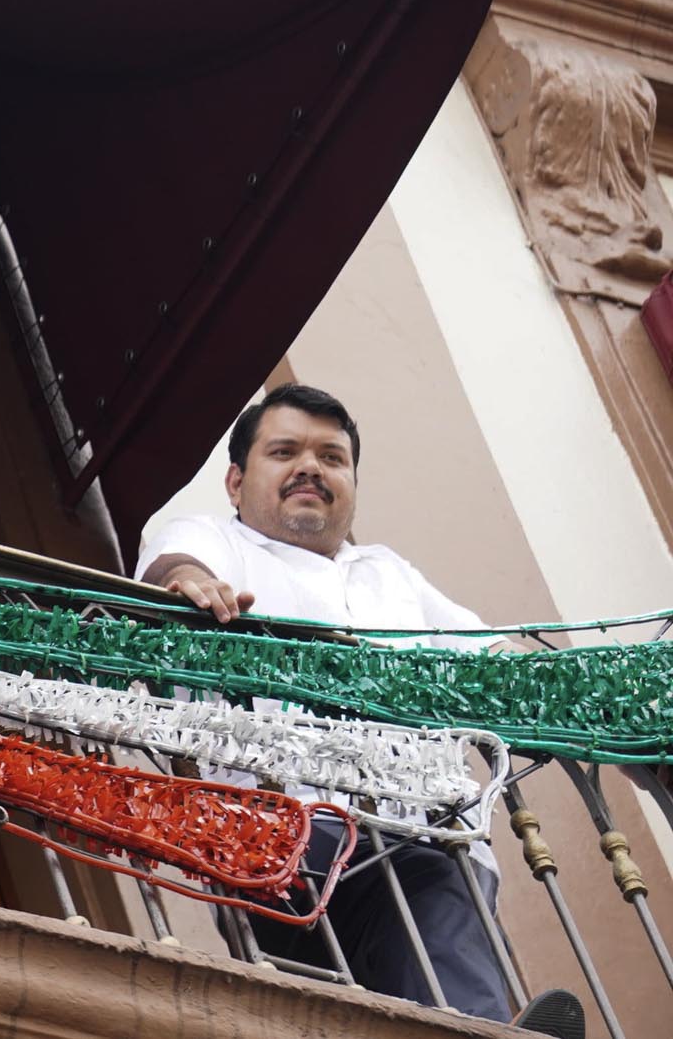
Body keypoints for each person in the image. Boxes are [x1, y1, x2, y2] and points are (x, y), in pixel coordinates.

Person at [137, 384, 582, 1035]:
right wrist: (189, 585)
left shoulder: (389, 572)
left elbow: (499, 660)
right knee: (415, 953)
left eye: (332, 457)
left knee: (438, 918)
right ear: (236, 482)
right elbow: (173, 569)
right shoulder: (210, 535)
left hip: (419, 831)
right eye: (284, 451)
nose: (310, 468)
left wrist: (611, 710)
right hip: (275, 833)